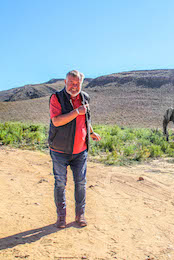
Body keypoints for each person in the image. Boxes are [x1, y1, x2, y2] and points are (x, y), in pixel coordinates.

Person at [48, 70, 101, 228]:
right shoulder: (56, 98)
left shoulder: (85, 97)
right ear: (65, 82)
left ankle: (80, 215)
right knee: (60, 184)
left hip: (80, 151)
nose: (74, 86)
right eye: (71, 83)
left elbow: (86, 118)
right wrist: (76, 112)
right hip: (60, 150)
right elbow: (56, 121)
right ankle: (61, 217)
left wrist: (91, 132)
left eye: (77, 83)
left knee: (80, 183)